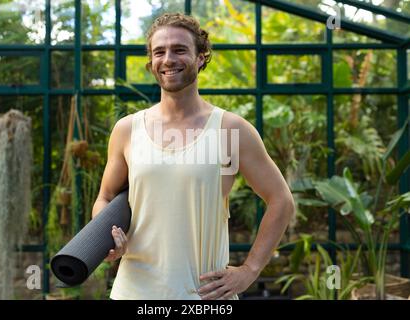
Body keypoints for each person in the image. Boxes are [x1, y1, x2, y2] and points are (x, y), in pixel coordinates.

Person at [91, 13, 295, 300]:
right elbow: (105, 197)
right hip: (133, 293)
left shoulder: (231, 129)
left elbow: (281, 200)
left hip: (205, 296)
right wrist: (107, 238)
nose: (168, 59)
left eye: (180, 50)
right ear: (151, 62)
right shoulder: (127, 130)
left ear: (201, 57)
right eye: (159, 51)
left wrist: (249, 270)